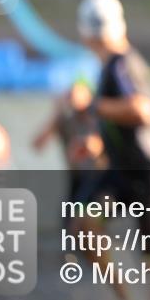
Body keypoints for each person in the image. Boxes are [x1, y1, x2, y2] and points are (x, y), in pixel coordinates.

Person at [73, 0, 150, 300]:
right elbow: (119, 120)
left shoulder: (121, 64)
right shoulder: (109, 66)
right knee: (85, 223)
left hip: (148, 172)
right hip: (121, 170)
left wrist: (92, 105)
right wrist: (97, 143)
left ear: (86, 33)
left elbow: (142, 111)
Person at [32, 76, 106, 212]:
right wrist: (57, 113)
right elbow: (37, 144)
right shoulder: (65, 119)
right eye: (71, 93)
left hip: (98, 180)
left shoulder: (99, 117)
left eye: (78, 93)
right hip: (76, 179)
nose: (74, 98)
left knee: (85, 218)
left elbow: (101, 147)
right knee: (69, 219)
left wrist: (91, 145)